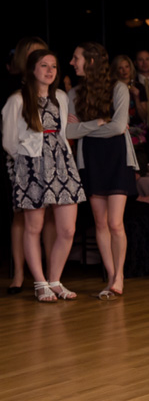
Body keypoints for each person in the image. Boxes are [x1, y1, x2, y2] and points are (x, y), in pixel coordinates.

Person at [2, 50, 85, 302]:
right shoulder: (17, 100)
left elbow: (63, 133)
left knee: (67, 229)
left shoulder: (60, 96)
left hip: (62, 164)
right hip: (32, 166)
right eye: (44, 65)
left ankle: (55, 280)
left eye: (54, 66)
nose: (50, 70)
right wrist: (28, 160)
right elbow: (8, 140)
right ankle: (40, 283)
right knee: (34, 227)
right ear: (32, 69)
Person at [67, 43, 139, 299]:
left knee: (115, 222)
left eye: (76, 58)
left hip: (117, 156)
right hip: (91, 158)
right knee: (100, 222)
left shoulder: (118, 88)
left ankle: (119, 275)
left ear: (92, 61)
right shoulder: (74, 93)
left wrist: (85, 127)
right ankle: (111, 277)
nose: (72, 62)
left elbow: (119, 127)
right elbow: (68, 132)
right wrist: (97, 122)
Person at [4, 36, 55, 295]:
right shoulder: (16, 88)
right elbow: (10, 132)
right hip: (21, 157)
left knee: (46, 215)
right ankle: (19, 274)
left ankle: (46, 273)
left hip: (48, 157)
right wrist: (22, 157)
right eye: (35, 55)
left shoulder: (52, 88)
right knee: (21, 214)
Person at [112, 54, 148, 170]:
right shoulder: (112, 88)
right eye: (120, 68)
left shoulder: (139, 87)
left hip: (137, 133)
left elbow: (144, 115)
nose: (124, 71)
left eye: (126, 67)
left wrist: (137, 97)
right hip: (119, 131)